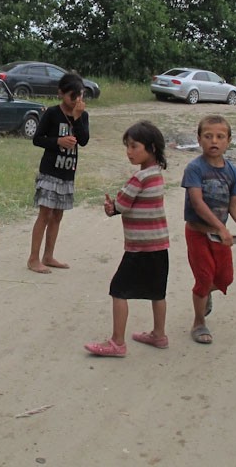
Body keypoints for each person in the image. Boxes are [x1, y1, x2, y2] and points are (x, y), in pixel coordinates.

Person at [84, 121, 170, 357]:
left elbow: (121, 206)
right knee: (157, 291)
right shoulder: (157, 174)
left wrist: (110, 207)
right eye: (127, 147)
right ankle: (159, 334)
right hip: (159, 244)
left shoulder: (139, 177)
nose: (129, 152)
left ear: (151, 147)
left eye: (134, 146)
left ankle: (117, 342)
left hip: (139, 246)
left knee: (118, 289)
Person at [182, 115, 236, 344]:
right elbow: (197, 202)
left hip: (221, 236)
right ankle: (199, 322)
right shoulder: (194, 169)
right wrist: (219, 226)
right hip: (198, 233)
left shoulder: (233, 172)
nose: (213, 141)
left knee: (225, 278)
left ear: (229, 140)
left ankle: (206, 294)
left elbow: (233, 205)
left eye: (220, 136)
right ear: (199, 139)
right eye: (208, 136)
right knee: (204, 278)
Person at [27, 73, 90, 274]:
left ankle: (48, 255)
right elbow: (37, 139)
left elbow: (84, 140)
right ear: (61, 94)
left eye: (79, 96)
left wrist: (78, 118)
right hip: (49, 172)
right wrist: (57, 141)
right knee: (45, 213)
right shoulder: (52, 114)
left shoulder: (82, 115)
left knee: (58, 215)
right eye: (72, 97)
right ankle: (33, 258)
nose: (76, 101)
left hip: (67, 172)